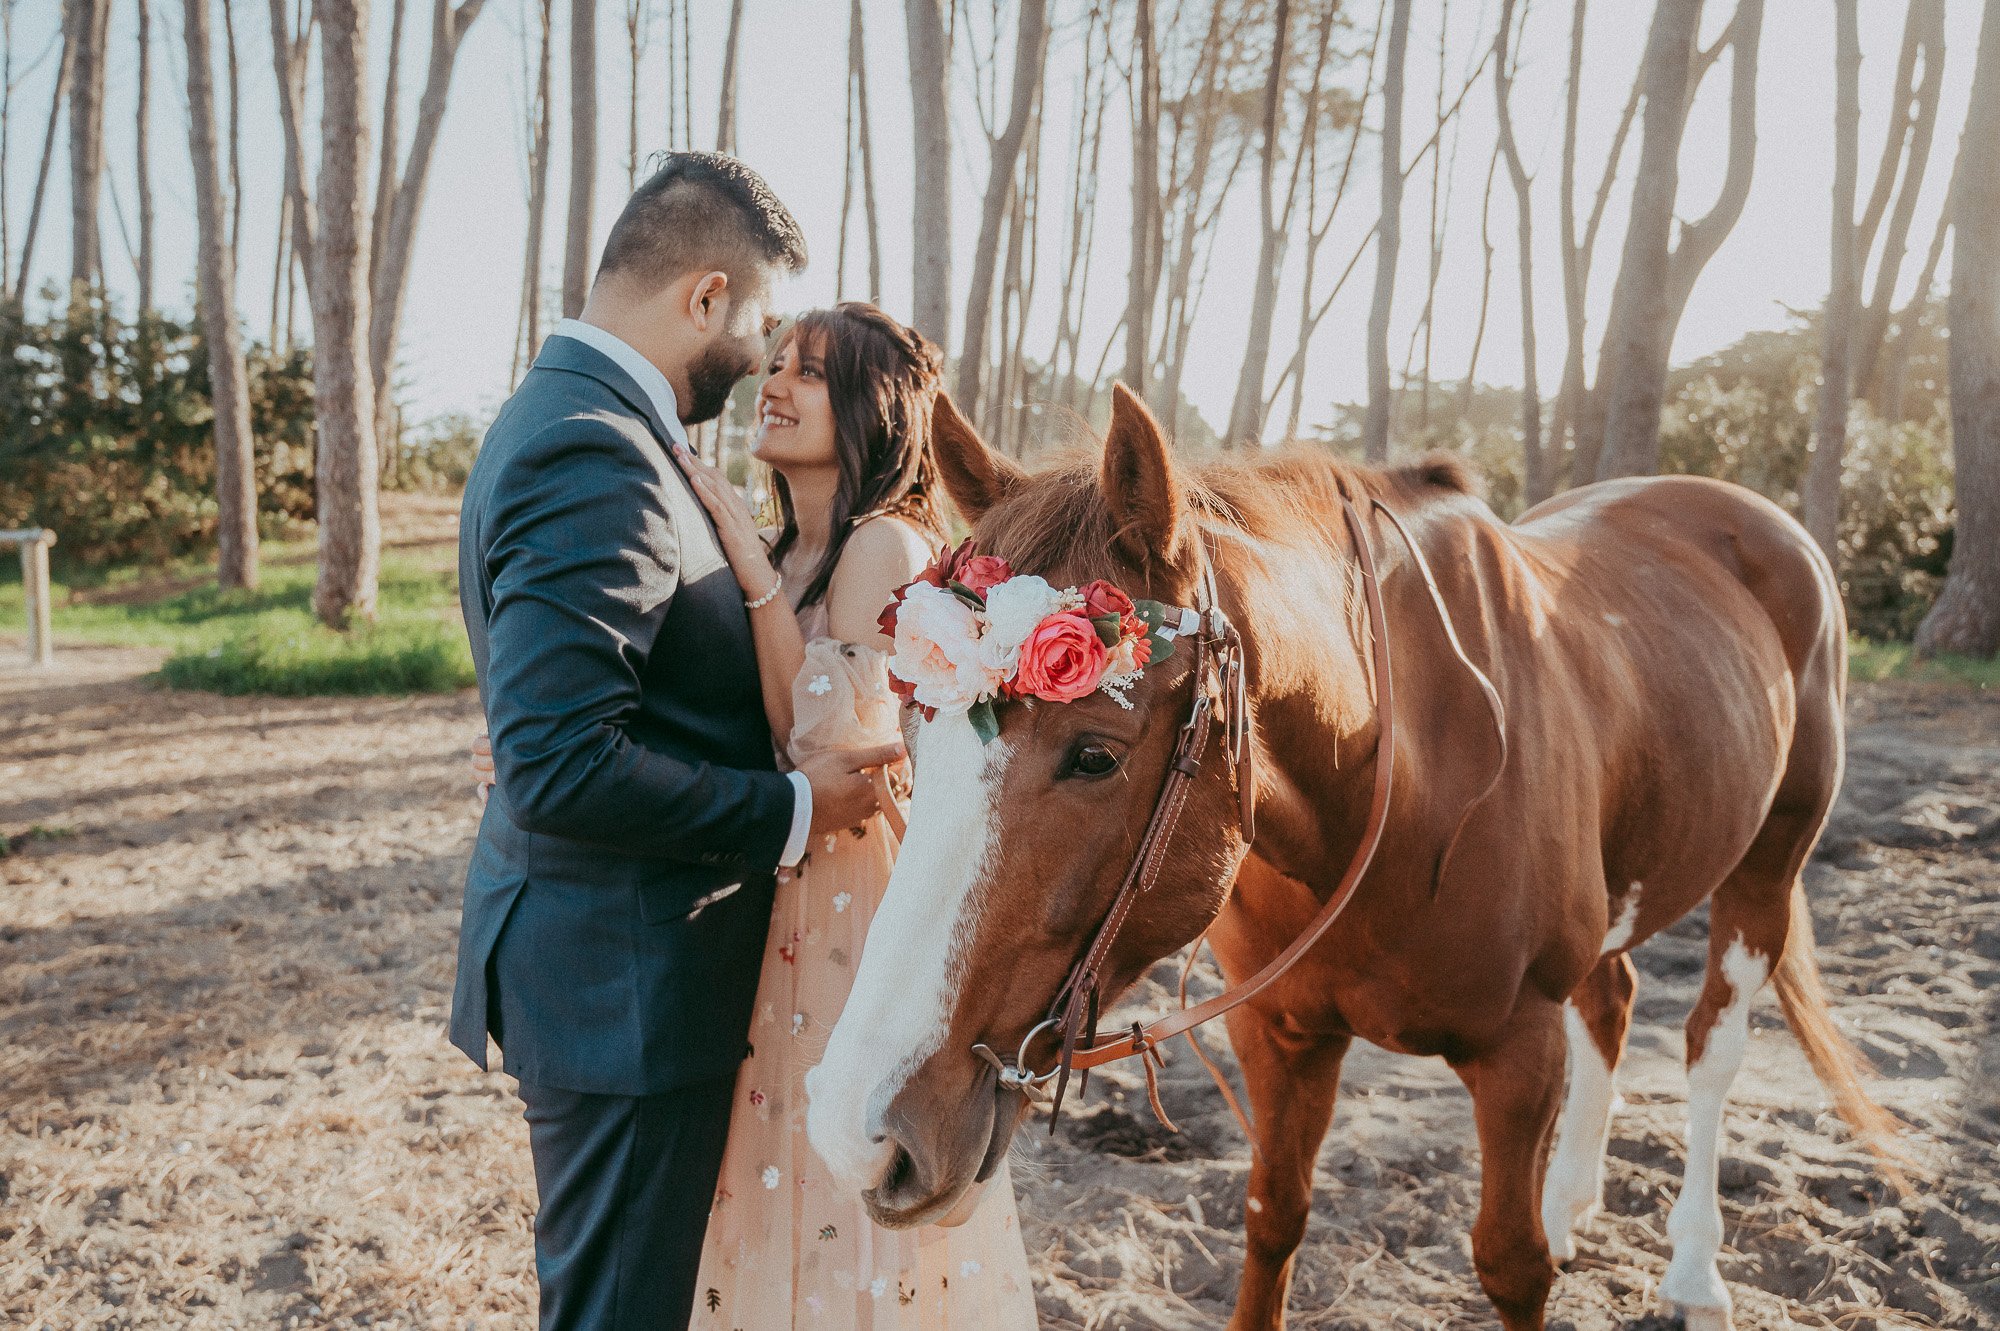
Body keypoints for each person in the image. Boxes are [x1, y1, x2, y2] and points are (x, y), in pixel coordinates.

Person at [452, 153, 902, 1331]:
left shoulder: (576, 421)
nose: (758, 359)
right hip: (625, 986)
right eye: (759, 324)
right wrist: (796, 810)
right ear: (706, 297)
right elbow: (561, 762)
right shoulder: (593, 447)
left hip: (618, 965)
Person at [680, 304, 1038, 1328]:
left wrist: (752, 581)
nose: (774, 385)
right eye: (775, 365)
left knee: (830, 1187)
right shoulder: (786, 548)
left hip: (843, 901)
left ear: (871, 410)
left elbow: (823, 748)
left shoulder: (880, 546)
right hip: (773, 888)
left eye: (809, 374)